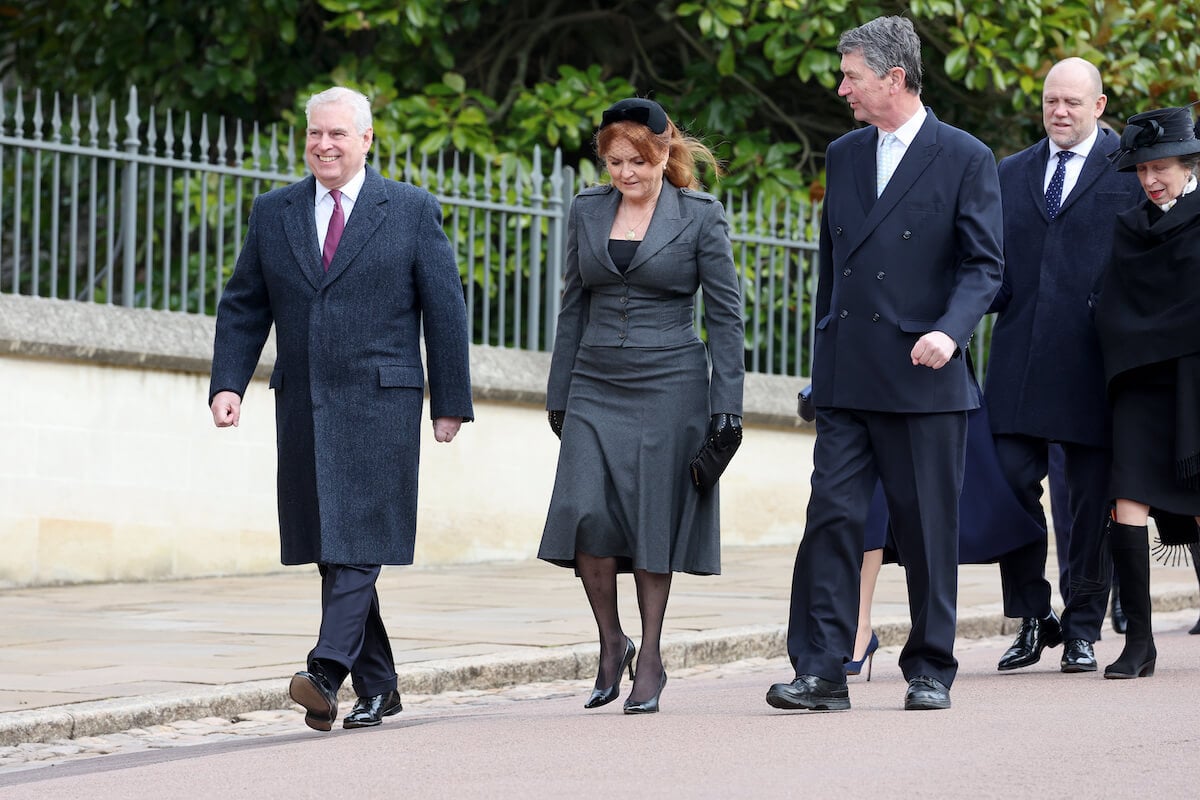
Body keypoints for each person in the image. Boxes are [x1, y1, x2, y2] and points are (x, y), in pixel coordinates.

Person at [208, 86, 473, 730]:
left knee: (361, 538)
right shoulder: (275, 212)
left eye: (337, 135)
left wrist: (451, 401)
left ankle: (326, 668)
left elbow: (444, 311)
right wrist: (228, 384)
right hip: (305, 399)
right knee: (335, 543)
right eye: (315, 135)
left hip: (383, 400)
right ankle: (380, 686)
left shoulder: (409, 209)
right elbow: (246, 302)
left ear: (366, 140)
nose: (324, 145)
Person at [765, 15, 1003, 713]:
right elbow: (830, 274)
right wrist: (821, 362)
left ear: (894, 79)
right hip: (849, 376)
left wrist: (950, 332)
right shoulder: (842, 154)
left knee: (927, 529)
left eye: (852, 76)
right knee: (831, 520)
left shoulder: (964, 156)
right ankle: (821, 670)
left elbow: (985, 266)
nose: (843, 89)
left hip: (925, 375)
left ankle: (930, 668)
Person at [539, 97, 745, 715]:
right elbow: (573, 302)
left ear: (663, 155)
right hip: (594, 380)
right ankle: (611, 641)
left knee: (655, 517)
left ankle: (650, 656)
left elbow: (725, 315)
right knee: (584, 513)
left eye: (637, 160)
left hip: (670, 382)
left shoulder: (700, 216)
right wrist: (558, 393)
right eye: (614, 161)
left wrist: (726, 410)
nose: (625, 173)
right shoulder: (586, 209)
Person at [985, 58, 1144, 674]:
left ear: (1099, 106)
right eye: (1052, 100)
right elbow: (989, 267)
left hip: (1094, 368)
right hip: (1018, 365)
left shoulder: (1128, 174)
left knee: (1087, 505)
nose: (1060, 111)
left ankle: (1081, 626)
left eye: (1073, 102)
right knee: (1006, 484)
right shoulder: (1010, 171)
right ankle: (1032, 616)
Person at [1093, 105, 1200, 679]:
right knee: (1126, 500)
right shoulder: (1129, 227)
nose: (1151, 180)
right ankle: (1139, 641)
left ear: (1188, 165)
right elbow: (1114, 305)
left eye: (1160, 167)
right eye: (1141, 170)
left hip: (1194, 379)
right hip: (1138, 381)